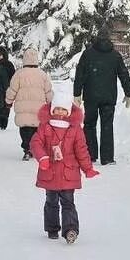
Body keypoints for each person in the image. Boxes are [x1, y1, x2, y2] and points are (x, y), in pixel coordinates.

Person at [31, 88, 99, 244]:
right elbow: (36, 143)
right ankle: (52, 228)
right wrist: (42, 158)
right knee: (51, 201)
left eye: (64, 109)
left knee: (68, 202)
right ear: (52, 109)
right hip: (50, 172)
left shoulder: (75, 129)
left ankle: (70, 230)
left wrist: (87, 168)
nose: (60, 112)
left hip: (69, 172)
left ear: (69, 111)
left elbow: (81, 150)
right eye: (57, 109)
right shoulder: (45, 126)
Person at [73, 27, 130, 165]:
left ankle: (90, 154)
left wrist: (77, 93)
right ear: (109, 39)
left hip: (91, 96)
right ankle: (107, 158)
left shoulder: (87, 55)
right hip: (109, 96)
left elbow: (79, 75)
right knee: (107, 126)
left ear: (96, 38)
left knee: (89, 125)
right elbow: (124, 74)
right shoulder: (115, 56)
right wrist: (128, 93)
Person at [5, 48, 53, 160]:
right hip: (38, 109)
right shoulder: (42, 75)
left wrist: (8, 101)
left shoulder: (19, 74)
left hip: (23, 109)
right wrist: (51, 103)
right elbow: (48, 91)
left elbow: (12, 89)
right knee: (37, 130)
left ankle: (27, 148)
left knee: (25, 129)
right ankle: (36, 148)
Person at [0, 46, 15, 130]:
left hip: (6, 89)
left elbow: (13, 77)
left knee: (5, 106)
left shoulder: (9, 64)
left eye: (0, 55)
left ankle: (3, 123)